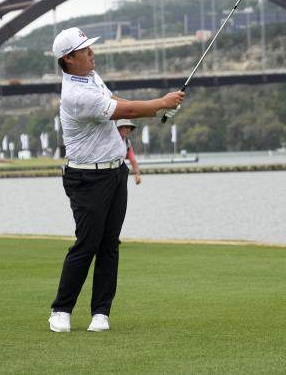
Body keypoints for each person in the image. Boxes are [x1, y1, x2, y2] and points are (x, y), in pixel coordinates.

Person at [48, 27, 184, 333]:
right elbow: (126, 109)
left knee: (109, 243)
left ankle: (101, 313)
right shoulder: (76, 95)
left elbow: (114, 100)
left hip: (114, 172)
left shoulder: (91, 79)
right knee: (88, 243)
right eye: (85, 50)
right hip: (86, 177)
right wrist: (160, 103)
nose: (91, 53)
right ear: (69, 59)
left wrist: (159, 105)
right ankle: (61, 309)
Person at [116, 119, 141, 185]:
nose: (128, 130)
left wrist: (137, 174)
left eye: (130, 128)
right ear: (118, 128)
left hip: (120, 175)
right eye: (126, 127)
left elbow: (132, 160)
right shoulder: (111, 141)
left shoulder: (127, 143)